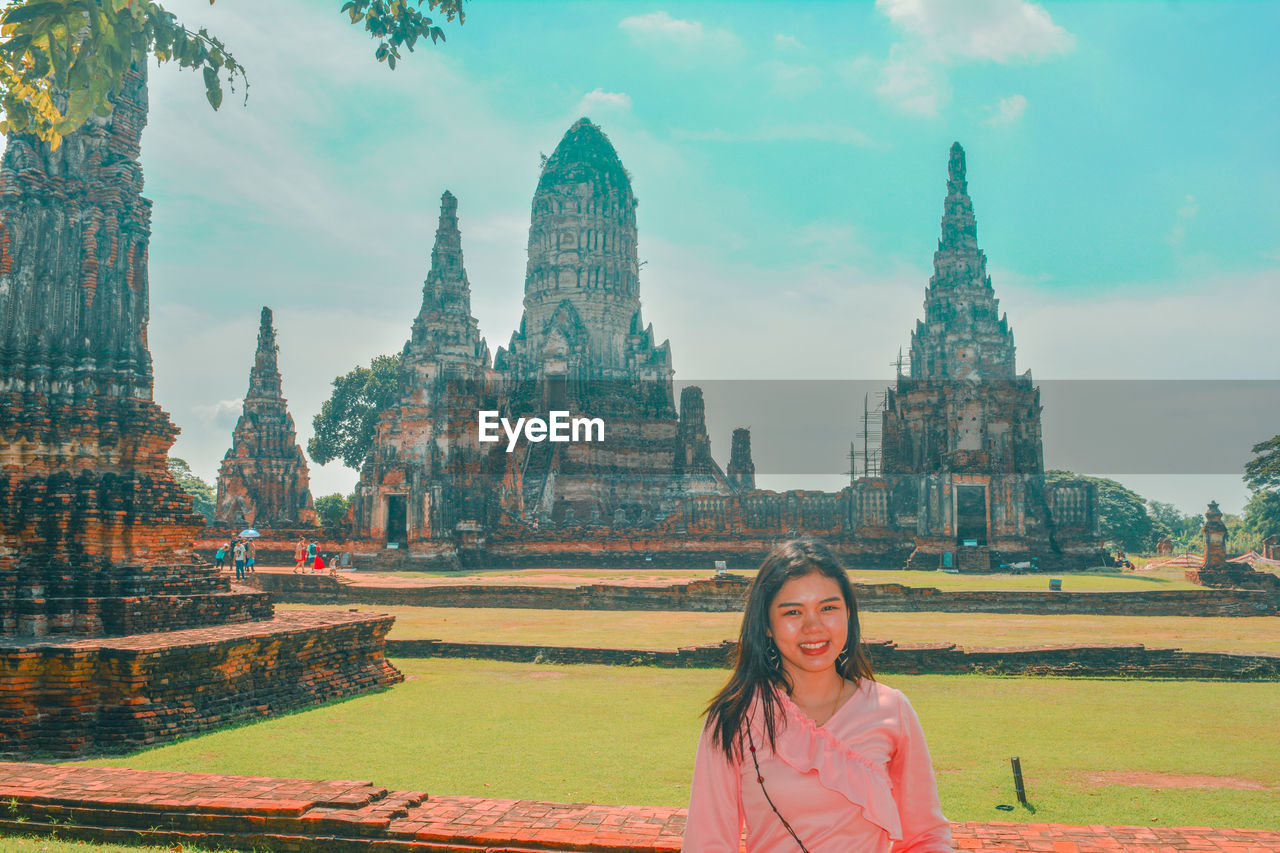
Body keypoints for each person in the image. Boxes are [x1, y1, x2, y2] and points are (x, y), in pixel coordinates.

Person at [684, 539, 952, 853]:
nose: (813, 627)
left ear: (849, 614)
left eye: (828, 608)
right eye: (793, 612)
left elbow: (925, 838)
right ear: (767, 626)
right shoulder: (736, 717)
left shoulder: (890, 710)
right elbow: (707, 844)